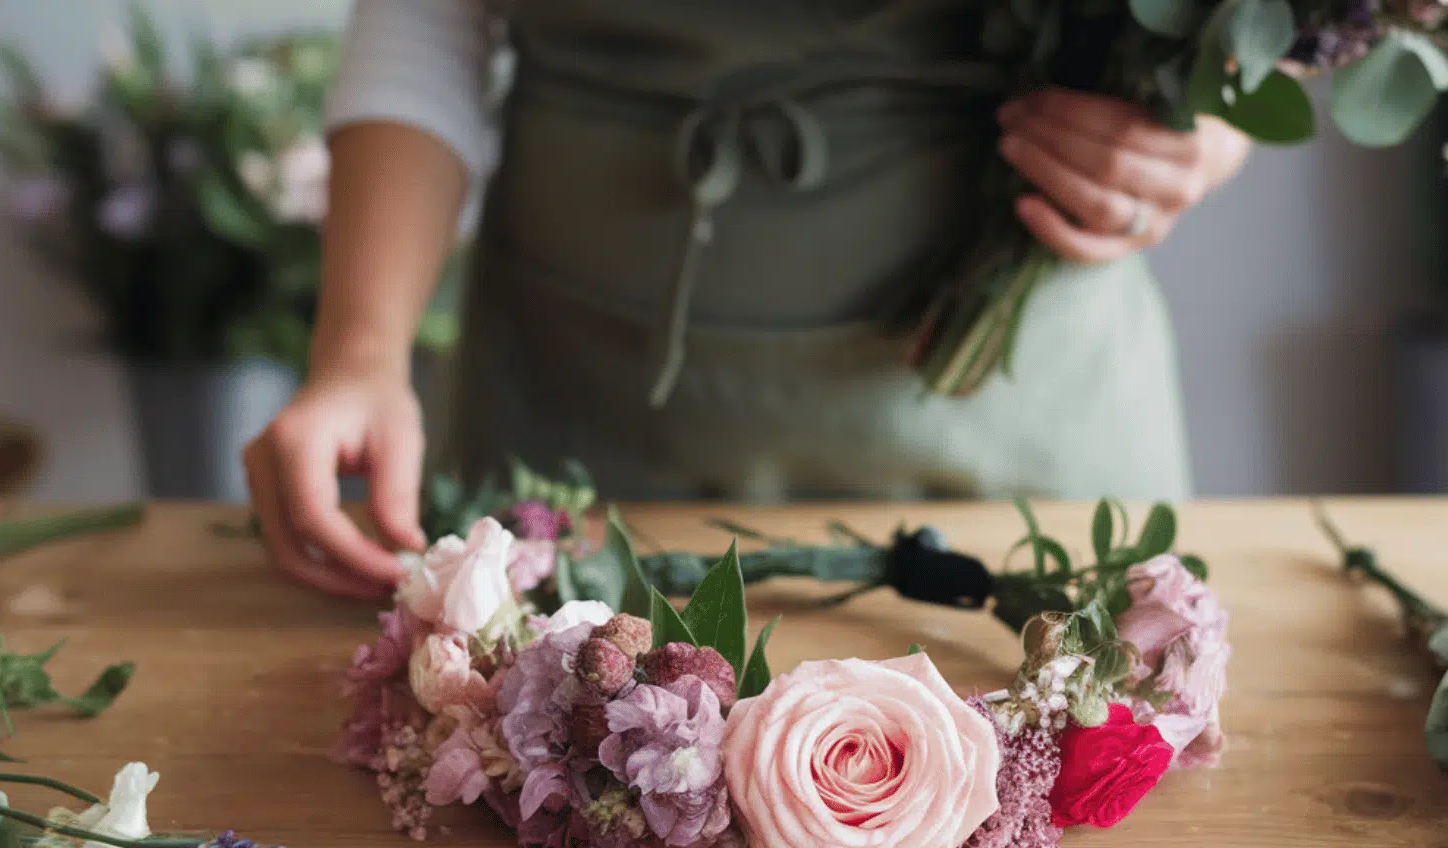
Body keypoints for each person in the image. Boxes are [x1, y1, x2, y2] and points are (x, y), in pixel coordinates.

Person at [243, 0, 1253, 598]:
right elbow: (428, 19)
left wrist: (1205, 127)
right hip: (572, 425)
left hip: (1018, 429)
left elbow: (1242, 40)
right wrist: (360, 355)